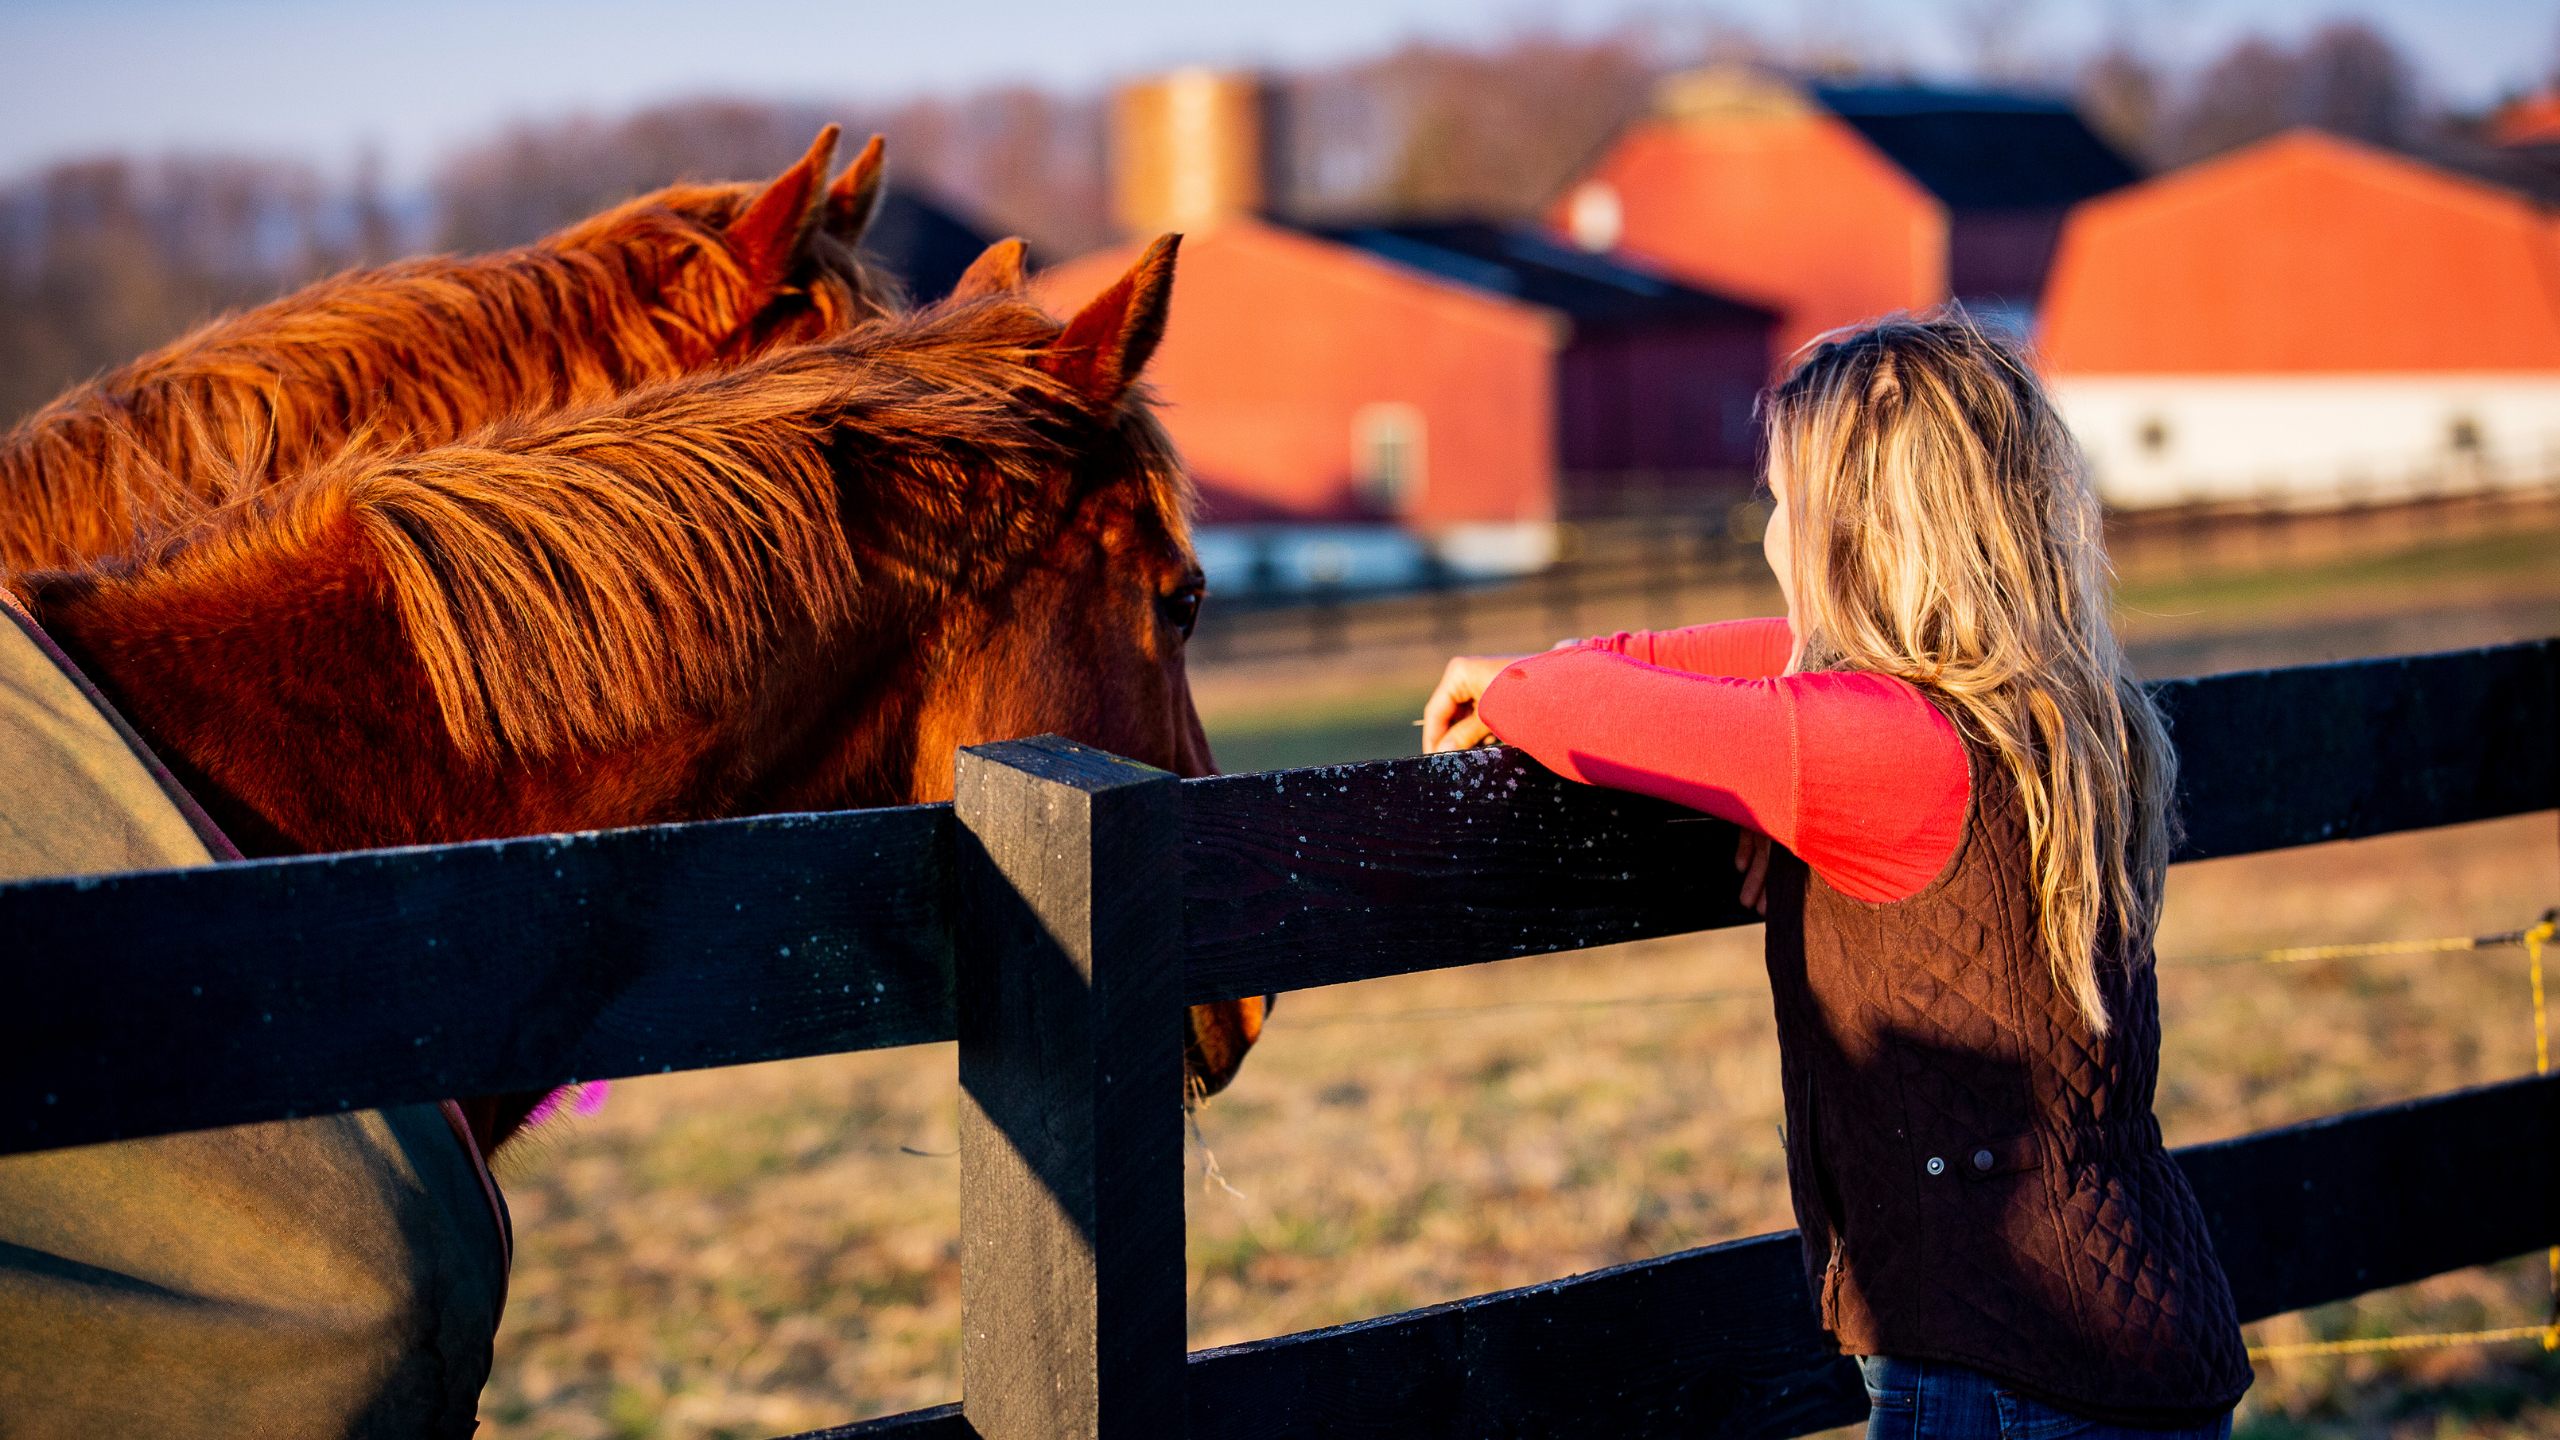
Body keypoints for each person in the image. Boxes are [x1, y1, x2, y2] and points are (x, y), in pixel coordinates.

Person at [1422, 313, 2250, 1439]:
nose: (1769, 537)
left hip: (2000, 1365)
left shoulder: (1880, 748)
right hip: (2129, 1325)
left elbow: (1583, 704)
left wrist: (1506, 684)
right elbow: (1706, 671)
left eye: (1782, 506)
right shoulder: (2050, 705)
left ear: (1853, 529)